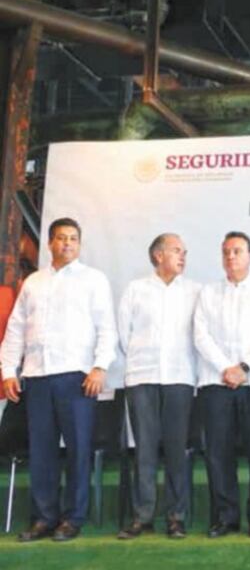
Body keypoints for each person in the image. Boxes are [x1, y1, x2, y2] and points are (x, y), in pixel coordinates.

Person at [1, 218, 117, 542]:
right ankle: (44, 517)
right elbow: (15, 330)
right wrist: (9, 371)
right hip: (36, 377)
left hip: (77, 378)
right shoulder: (33, 282)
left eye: (73, 239)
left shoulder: (93, 280)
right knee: (42, 450)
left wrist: (99, 367)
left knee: (78, 449)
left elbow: (106, 327)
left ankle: (73, 517)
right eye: (61, 238)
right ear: (50, 243)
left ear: (79, 244)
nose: (67, 244)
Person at [194, 231, 250, 538]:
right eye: (226, 252)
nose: (231, 257)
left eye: (237, 251)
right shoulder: (208, 292)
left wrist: (244, 367)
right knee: (218, 453)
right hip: (216, 382)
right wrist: (226, 368)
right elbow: (200, 334)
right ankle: (225, 517)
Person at [116, 233, 202, 539]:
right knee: (145, 450)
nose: (183, 256)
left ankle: (176, 517)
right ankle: (143, 516)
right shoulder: (136, 290)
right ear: (157, 255)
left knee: (177, 449)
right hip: (142, 378)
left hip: (179, 378)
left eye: (184, 251)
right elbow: (124, 335)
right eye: (177, 250)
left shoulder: (194, 291)